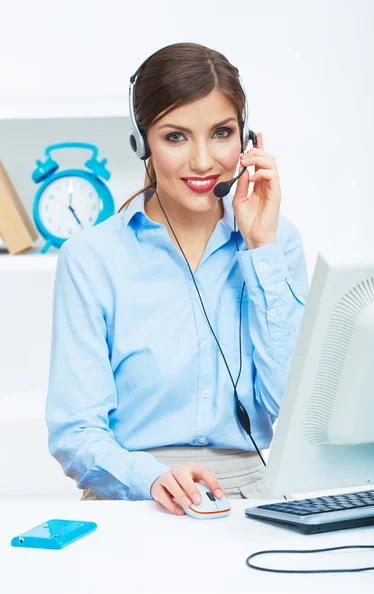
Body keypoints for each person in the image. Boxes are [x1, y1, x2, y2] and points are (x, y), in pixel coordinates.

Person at [45, 42, 309, 516]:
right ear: (142, 141)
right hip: (130, 498)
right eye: (176, 137)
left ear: (246, 138)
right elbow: (75, 431)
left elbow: (293, 409)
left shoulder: (276, 242)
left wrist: (261, 250)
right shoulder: (90, 258)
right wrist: (148, 478)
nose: (204, 161)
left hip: (249, 497)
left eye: (222, 133)